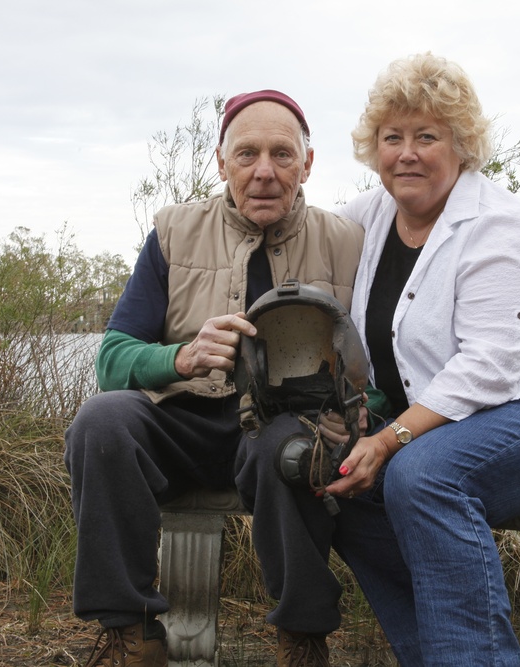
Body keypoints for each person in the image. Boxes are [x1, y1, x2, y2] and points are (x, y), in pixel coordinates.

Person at [322, 53, 520, 666]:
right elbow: (299, 244)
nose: (407, 153)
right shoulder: (364, 219)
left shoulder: (498, 224)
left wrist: (392, 438)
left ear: (461, 147)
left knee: (422, 477)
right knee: (337, 493)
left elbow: (490, 366)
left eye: (427, 136)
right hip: (441, 428)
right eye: (391, 137)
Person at [64, 90, 364, 667]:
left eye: (282, 155)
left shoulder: (346, 242)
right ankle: (129, 634)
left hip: (276, 428)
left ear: (308, 164)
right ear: (221, 163)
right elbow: (112, 359)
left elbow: (376, 362)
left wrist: (355, 408)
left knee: (295, 448)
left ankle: (302, 640)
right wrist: (180, 357)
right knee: (99, 422)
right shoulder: (174, 231)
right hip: (181, 425)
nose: (264, 172)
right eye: (246, 154)